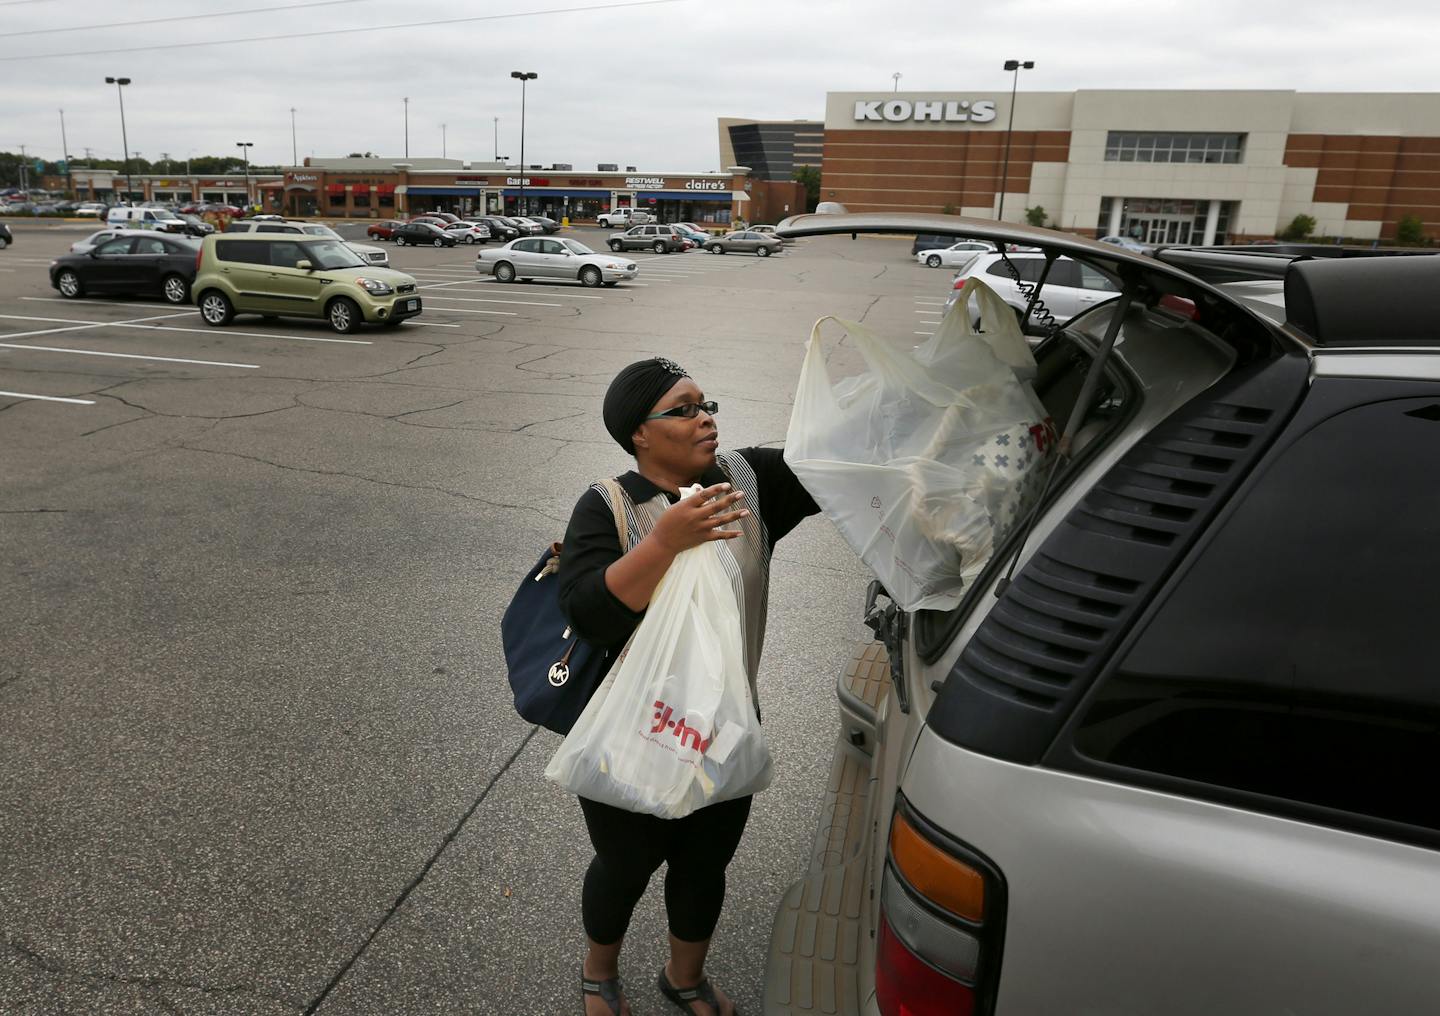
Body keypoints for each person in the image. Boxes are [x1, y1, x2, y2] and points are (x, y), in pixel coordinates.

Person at [557, 357, 818, 1016]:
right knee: (625, 865)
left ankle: (683, 978)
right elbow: (587, 613)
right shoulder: (608, 505)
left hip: (726, 723)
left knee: (705, 865)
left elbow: (836, 464)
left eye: (707, 404)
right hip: (631, 730)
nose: (705, 418)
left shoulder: (748, 480)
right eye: (683, 408)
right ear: (638, 433)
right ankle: (598, 974)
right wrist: (665, 542)